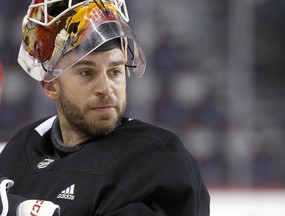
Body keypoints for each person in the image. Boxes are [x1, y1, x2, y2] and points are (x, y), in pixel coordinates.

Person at [0, 0, 210, 215]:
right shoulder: (22, 147)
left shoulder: (156, 157)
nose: (106, 88)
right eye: (86, 73)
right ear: (51, 85)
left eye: (115, 71)